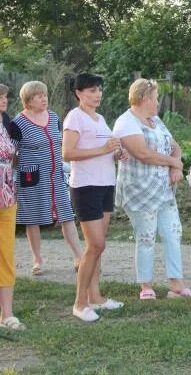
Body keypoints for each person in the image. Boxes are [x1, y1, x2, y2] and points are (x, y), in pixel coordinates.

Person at [113, 78, 191, 300]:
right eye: (156, 98)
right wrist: (172, 162)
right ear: (144, 98)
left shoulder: (155, 120)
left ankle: (176, 282)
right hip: (140, 190)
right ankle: (146, 285)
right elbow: (143, 154)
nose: (158, 103)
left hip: (164, 189)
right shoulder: (126, 122)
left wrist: (175, 167)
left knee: (173, 232)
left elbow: (174, 147)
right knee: (146, 236)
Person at [62, 74, 127, 322]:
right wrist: (102, 150)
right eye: (91, 90)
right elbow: (68, 153)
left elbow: (104, 152)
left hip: (105, 185)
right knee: (95, 245)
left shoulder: (100, 119)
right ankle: (79, 303)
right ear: (79, 93)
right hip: (85, 187)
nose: (97, 94)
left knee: (99, 246)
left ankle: (96, 298)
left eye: (99, 89)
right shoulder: (74, 117)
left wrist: (115, 155)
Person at [9, 81, 83, 276]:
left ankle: (78, 256)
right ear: (28, 100)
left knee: (66, 215)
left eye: (45, 95)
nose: (44, 99)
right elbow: (10, 151)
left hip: (55, 175)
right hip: (30, 176)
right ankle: (38, 260)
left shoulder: (53, 117)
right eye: (39, 96)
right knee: (32, 218)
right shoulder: (17, 123)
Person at [0, 84, 25, 330]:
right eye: (0, 96)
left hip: (7, 198)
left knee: (6, 256)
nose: (4, 100)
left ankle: (7, 314)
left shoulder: (6, 123)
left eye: (5, 95)